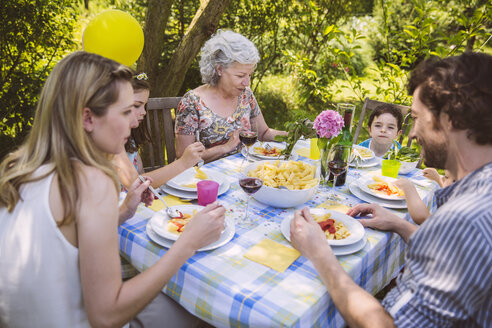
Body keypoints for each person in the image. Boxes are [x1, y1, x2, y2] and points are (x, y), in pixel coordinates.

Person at [0, 51, 225, 327]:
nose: (132, 121)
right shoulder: (92, 180)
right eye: (125, 111)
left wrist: (119, 214)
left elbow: (60, 239)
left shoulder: (18, 171)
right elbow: (106, 316)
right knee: (203, 313)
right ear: (88, 118)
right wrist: (188, 243)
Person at [290, 52, 492, 327]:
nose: (411, 134)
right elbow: (458, 257)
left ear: (450, 119)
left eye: (418, 118)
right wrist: (400, 224)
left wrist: (319, 253)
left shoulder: (464, 219)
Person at [175, 30, 287, 162]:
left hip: (245, 171)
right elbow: (183, 156)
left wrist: (294, 134)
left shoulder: (245, 94)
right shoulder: (192, 102)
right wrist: (225, 147)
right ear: (219, 69)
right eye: (240, 76)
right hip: (208, 178)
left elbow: (263, 133)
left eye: (249, 75)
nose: (247, 83)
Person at [113, 73, 205, 190]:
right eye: (137, 105)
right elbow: (135, 184)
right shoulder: (108, 142)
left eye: (144, 106)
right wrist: (183, 163)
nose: (144, 112)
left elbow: (140, 174)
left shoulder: (128, 140)